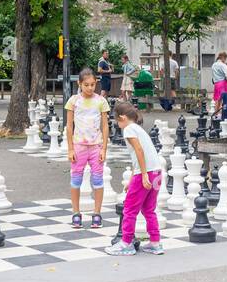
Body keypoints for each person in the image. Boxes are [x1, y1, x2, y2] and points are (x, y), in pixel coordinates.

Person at [105, 101, 166, 256]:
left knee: (129, 210)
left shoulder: (129, 129)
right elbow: (137, 158)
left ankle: (126, 243)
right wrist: (133, 177)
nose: (117, 124)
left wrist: (143, 174)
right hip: (156, 172)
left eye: (116, 120)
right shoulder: (138, 128)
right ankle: (155, 242)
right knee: (148, 210)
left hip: (145, 174)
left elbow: (139, 151)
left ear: (122, 117)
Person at [65, 68, 109, 228]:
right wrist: (70, 149)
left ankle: (97, 214)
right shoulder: (73, 101)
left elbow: (105, 126)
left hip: (96, 146)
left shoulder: (101, 101)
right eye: (86, 85)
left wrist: (104, 148)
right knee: (76, 180)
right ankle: (76, 213)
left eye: (92, 85)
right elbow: (69, 127)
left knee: (97, 180)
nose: (90, 88)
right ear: (79, 84)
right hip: (79, 146)